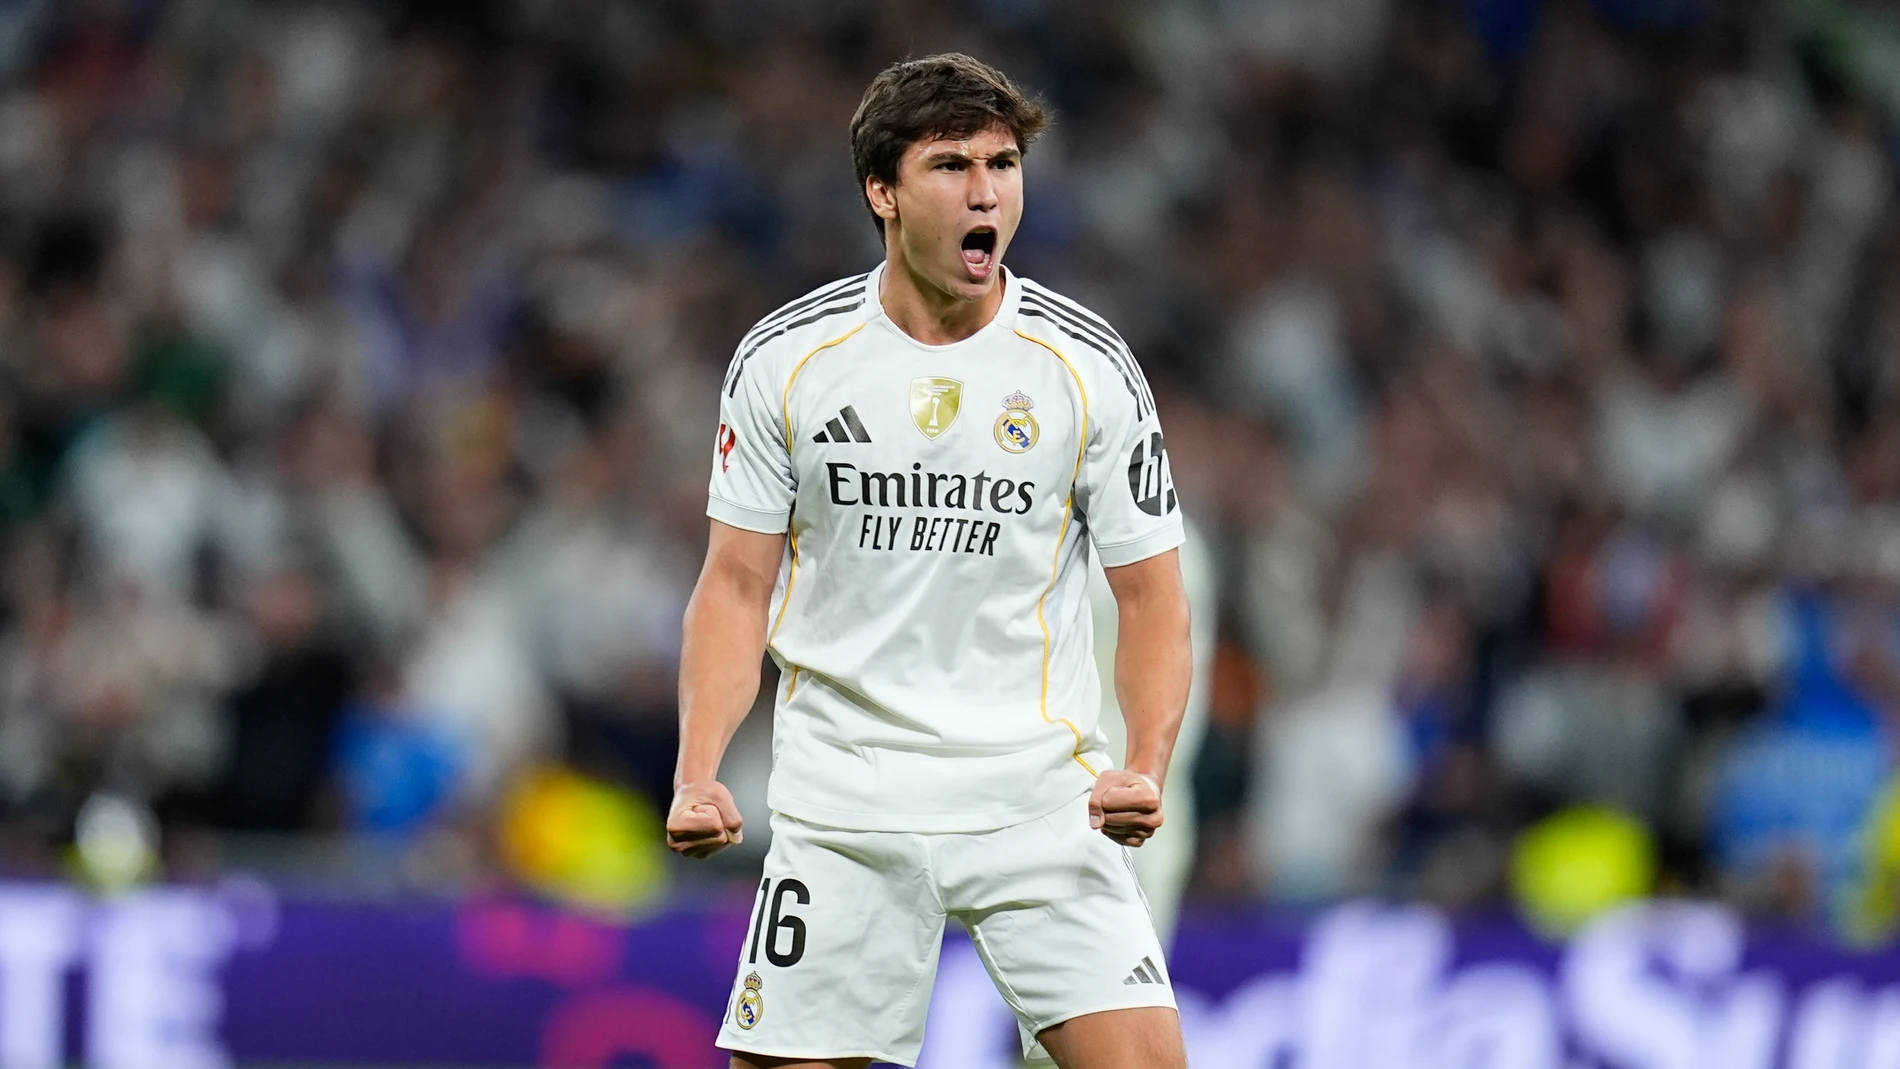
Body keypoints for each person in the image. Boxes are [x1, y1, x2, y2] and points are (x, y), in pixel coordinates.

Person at [666, 54, 1192, 1069]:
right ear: (881, 192)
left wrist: (1144, 763)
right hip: (848, 797)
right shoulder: (788, 362)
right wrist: (697, 771)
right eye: (951, 165)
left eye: (1003, 163)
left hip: (1039, 797)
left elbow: (1153, 593)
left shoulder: (1086, 368)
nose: (986, 190)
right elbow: (735, 583)